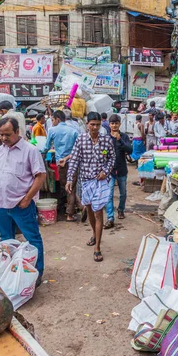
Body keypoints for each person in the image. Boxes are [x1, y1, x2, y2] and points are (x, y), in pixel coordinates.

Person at [0, 117, 46, 285]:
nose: (4, 138)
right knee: (6, 240)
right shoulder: (1, 149)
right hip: (1, 204)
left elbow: (40, 175)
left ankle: (36, 273)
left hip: (20, 204)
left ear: (17, 132)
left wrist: (27, 198)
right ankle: (11, 271)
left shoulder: (30, 150)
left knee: (32, 238)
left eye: (7, 134)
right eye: (1, 134)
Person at [66, 112, 116, 262]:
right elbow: (74, 160)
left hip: (101, 182)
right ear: (87, 124)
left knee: (98, 213)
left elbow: (112, 158)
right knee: (89, 210)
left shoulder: (106, 140)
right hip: (86, 182)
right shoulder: (81, 139)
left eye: (97, 125)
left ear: (101, 125)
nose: (95, 127)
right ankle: (94, 234)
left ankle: (97, 248)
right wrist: (69, 179)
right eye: (92, 124)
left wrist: (105, 171)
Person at [45, 110, 79, 222]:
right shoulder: (73, 131)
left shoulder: (52, 130)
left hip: (61, 163)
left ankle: (70, 213)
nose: (52, 122)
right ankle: (80, 207)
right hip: (73, 162)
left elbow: (46, 147)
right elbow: (78, 148)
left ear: (57, 119)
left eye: (52, 120)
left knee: (67, 188)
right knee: (71, 188)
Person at [104, 114, 132, 229]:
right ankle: (110, 217)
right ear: (109, 125)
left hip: (122, 170)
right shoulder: (105, 137)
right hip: (109, 171)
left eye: (116, 123)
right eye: (112, 123)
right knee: (108, 194)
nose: (114, 125)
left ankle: (121, 209)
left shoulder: (124, 137)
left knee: (123, 193)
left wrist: (120, 140)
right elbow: (103, 153)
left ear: (119, 124)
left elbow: (130, 150)